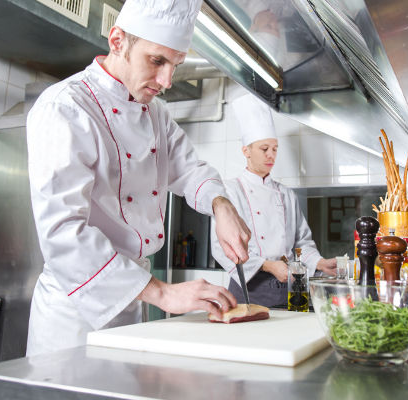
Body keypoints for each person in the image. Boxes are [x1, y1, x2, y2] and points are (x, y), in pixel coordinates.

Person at [25, 0, 250, 356]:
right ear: (117, 41)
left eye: (175, 65)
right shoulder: (66, 107)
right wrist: (163, 293)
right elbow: (63, 232)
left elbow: (191, 170)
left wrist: (221, 206)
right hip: (75, 314)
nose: (167, 81)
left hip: (132, 299)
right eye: (157, 61)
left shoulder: (155, 114)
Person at [211, 94, 337, 308]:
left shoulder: (286, 194)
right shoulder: (229, 191)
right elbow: (221, 247)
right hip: (248, 289)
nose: (271, 155)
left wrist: (320, 263)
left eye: (275, 149)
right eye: (264, 149)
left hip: (286, 287)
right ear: (246, 151)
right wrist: (268, 266)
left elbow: (302, 243)